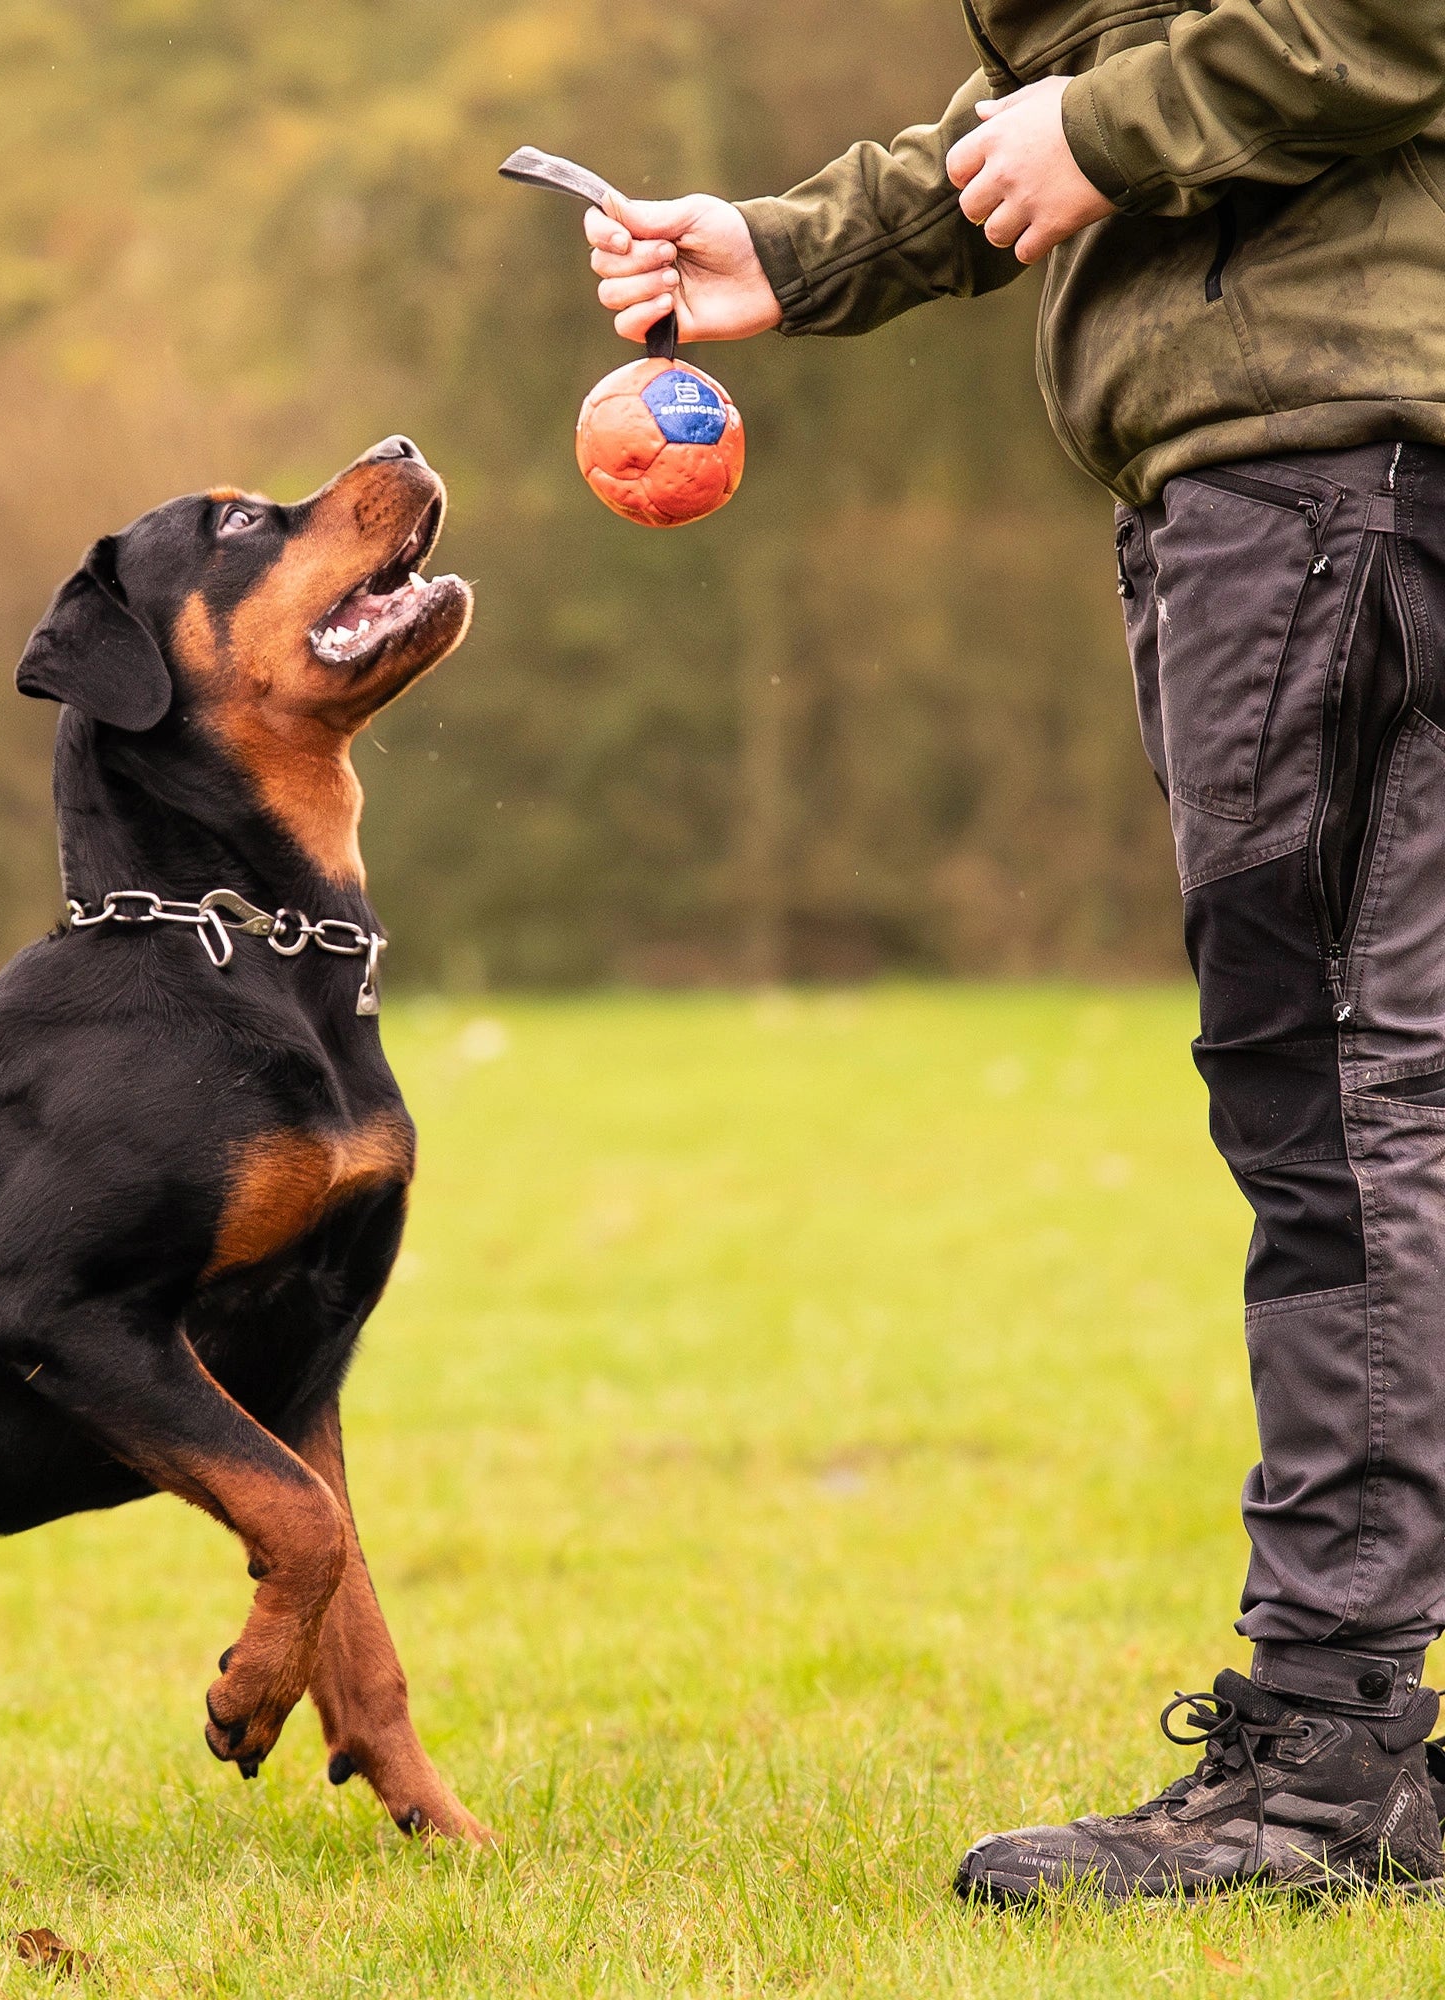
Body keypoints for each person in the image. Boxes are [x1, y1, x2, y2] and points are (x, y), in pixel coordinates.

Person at [582, 3, 1445, 1901]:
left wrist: (1113, 135)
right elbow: (1082, 80)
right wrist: (795, 247)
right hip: (1324, 465)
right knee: (1392, 1108)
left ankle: (1331, 1769)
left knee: (1340, 1121)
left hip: (1325, 471)